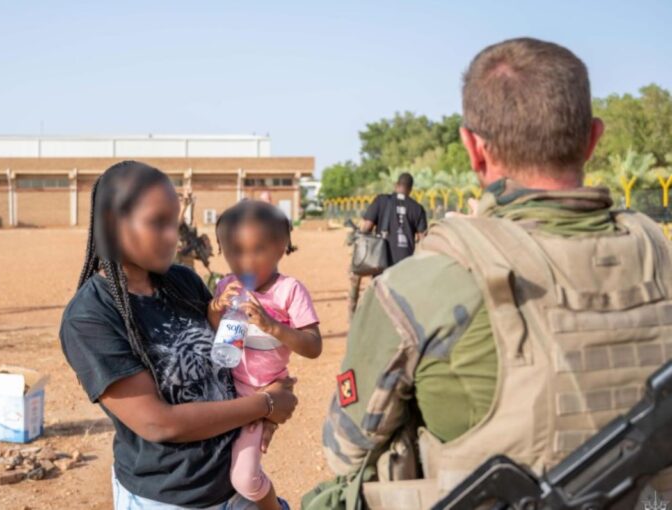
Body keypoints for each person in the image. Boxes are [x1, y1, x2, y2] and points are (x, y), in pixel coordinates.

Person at [316, 38, 672, 509]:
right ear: (593, 138)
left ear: (474, 149)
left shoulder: (423, 285)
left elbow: (344, 449)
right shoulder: (658, 252)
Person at [59, 161, 298, 510]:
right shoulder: (90, 316)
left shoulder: (183, 282)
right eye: (158, 223)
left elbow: (232, 355)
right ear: (113, 224)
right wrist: (264, 405)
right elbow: (160, 423)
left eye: (175, 222)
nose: (173, 236)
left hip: (235, 484)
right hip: (172, 499)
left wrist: (269, 395)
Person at [212, 200, 322, 510]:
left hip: (262, 395)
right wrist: (216, 308)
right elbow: (212, 327)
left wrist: (273, 327)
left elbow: (313, 346)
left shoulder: (289, 291)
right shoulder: (226, 285)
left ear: (281, 245)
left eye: (257, 250)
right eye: (234, 251)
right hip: (225, 389)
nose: (244, 262)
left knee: (246, 479)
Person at [347, 173, 427, 318]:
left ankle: (353, 315)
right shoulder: (418, 208)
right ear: (410, 189)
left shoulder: (381, 200)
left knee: (368, 287)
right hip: (405, 264)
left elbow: (365, 227)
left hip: (381, 263)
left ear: (396, 185)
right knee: (402, 302)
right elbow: (423, 240)